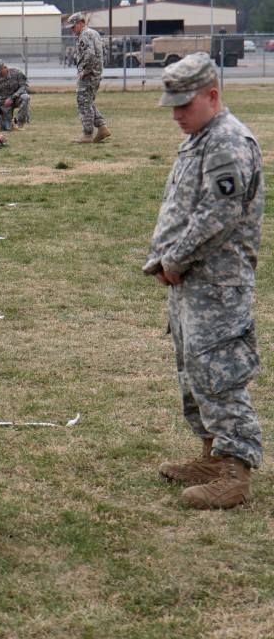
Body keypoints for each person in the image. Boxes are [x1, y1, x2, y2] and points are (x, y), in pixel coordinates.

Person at [143, 53, 264, 510]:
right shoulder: (202, 136)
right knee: (194, 369)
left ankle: (235, 471)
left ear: (212, 96)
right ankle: (212, 455)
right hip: (191, 281)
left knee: (220, 373)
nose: (175, 114)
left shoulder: (229, 142)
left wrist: (173, 258)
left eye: (183, 105)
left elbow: (218, 216)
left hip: (217, 283)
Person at [66, 12, 110, 143]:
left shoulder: (84, 35)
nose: (72, 30)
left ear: (81, 22)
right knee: (88, 102)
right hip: (95, 74)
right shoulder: (94, 33)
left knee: (83, 102)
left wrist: (85, 70)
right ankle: (102, 127)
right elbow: (103, 51)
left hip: (89, 75)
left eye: (73, 27)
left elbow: (90, 54)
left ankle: (87, 134)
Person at [0, 60, 30, 130]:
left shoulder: (16, 72)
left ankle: (20, 123)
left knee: (25, 97)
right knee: (5, 127)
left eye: (0, 72)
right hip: (4, 102)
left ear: (5, 67)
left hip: (17, 98)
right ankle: (11, 122)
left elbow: (24, 85)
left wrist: (13, 97)